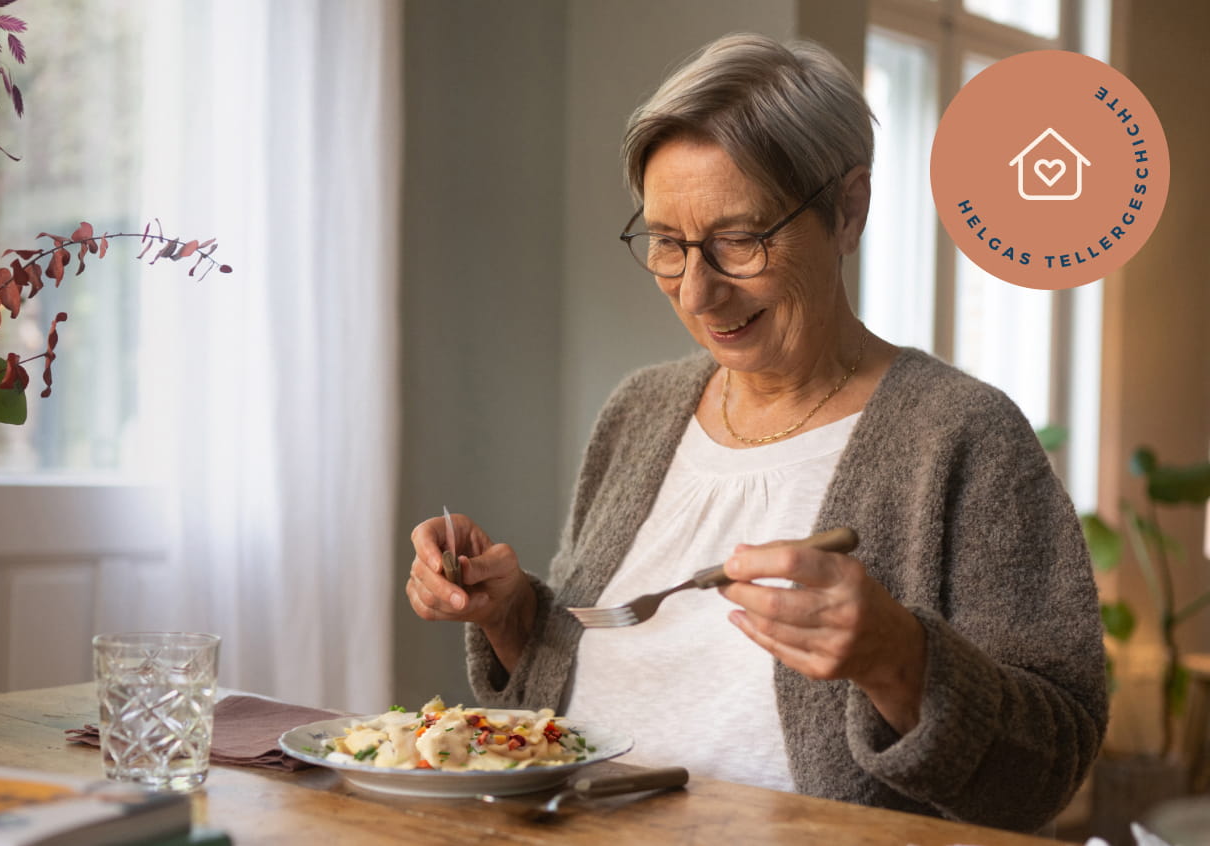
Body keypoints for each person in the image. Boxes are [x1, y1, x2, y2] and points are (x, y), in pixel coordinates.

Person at [404, 33, 1105, 833]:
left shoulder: (962, 436)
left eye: (740, 240)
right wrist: (511, 617)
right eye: (667, 242)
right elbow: (566, 699)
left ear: (849, 210)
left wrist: (900, 660)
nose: (697, 292)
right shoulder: (642, 409)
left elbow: (1052, 766)